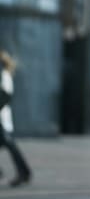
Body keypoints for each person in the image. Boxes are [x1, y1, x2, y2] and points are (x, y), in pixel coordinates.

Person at [0, 50, 31, 187]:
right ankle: (24, 172)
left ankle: (24, 172)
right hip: (2, 118)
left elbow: (6, 96)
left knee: (12, 147)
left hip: (2, 119)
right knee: (11, 147)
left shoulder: (4, 75)